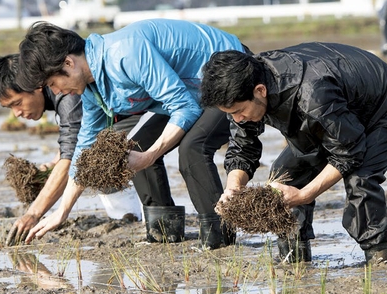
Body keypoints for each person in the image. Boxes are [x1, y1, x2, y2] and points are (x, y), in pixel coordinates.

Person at [15, 19, 247, 249]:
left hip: (231, 77)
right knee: (135, 147)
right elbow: (83, 150)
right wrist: (61, 211)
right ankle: (163, 233)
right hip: (191, 94)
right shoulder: (91, 89)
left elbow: (185, 108)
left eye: (53, 83)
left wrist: (151, 156)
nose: (56, 92)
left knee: (192, 148)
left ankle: (219, 238)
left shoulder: (125, 54)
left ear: (68, 63)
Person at [199, 43, 387, 264]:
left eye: (239, 112)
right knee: (285, 173)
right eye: (230, 114)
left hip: (386, 109)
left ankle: (378, 259)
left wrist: (305, 195)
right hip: (334, 115)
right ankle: (295, 258)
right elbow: (242, 144)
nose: (237, 119)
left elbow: (348, 151)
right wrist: (233, 187)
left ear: (260, 91)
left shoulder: (313, 94)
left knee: (360, 179)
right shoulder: (245, 84)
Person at [0, 54, 82, 245]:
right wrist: (55, 163)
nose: (17, 114)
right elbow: (74, 138)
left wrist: (34, 213)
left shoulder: (66, 92)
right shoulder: (54, 94)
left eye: (17, 103)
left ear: (35, 85)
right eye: (10, 108)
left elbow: (72, 154)